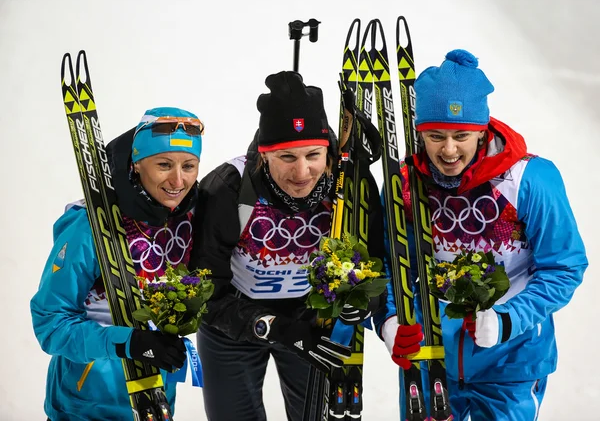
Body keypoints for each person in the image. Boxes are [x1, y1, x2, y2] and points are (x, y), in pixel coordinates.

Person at [375, 50, 588, 420]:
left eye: (462, 135)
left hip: (512, 363)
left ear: (481, 129)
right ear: (419, 133)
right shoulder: (405, 185)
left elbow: (564, 268)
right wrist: (389, 319)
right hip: (429, 360)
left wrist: (508, 319)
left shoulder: (528, 180)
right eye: (435, 136)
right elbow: (388, 263)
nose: (449, 149)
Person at [190, 71, 385, 421]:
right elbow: (206, 289)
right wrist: (271, 325)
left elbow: (378, 260)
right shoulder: (228, 189)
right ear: (264, 156)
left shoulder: (351, 188)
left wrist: (365, 299)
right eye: (287, 157)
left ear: (328, 151)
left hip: (310, 320)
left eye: (313, 155)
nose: (302, 172)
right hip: (231, 322)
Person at [31, 107, 204, 420]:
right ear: (137, 164)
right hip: (84, 405)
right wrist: (128, 341)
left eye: (189, 165)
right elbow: (51, 324)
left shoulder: (188, 222)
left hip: (154, 401)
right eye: (164, 164)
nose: (178, 180)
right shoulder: (88, 228)